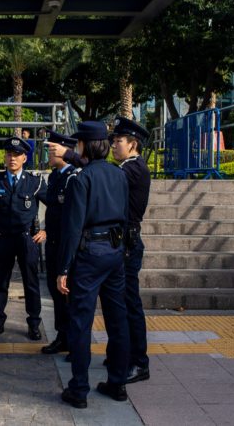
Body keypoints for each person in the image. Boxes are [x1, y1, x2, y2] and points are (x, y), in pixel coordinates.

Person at [56, 121, 130, 409]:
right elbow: (125, 214)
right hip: (115, 250)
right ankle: (118, 383)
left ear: (85, 146)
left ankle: (79, 389)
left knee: (81, 321)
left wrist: (63, 268)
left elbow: (72, 228)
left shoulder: (81, 179)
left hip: (90, 254)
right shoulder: (118, 174)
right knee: (117, 319)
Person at [0, 137, 47, 340]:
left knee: (31, 283)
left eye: (17, 155)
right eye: (9, 154)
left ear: (25, 158)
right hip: (3, 238)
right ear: (5, 157)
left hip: (27, 239)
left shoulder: (35, 181)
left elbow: (57, 207)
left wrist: (46, 231)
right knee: (0, 283)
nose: (12, 158)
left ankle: (34, 323)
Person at [109, 116, 151, 384]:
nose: (114, 145)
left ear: (133, 144)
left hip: (128, 244)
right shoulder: (128, 166)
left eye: (118, 141)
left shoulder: (133, 168)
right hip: (121, 241)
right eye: (112, 141)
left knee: (130, 304)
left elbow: (107, 177)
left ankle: (139, 362)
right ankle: (123, 355)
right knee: (121, 303)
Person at [41, 130, 79, 361]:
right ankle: (62, 335)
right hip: (54, 242)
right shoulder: (55, 176)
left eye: (52, 149)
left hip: (67, 244)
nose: (49, 153)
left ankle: (73, 339)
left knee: (69, 294)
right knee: (56, 293)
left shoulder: (74, 176)